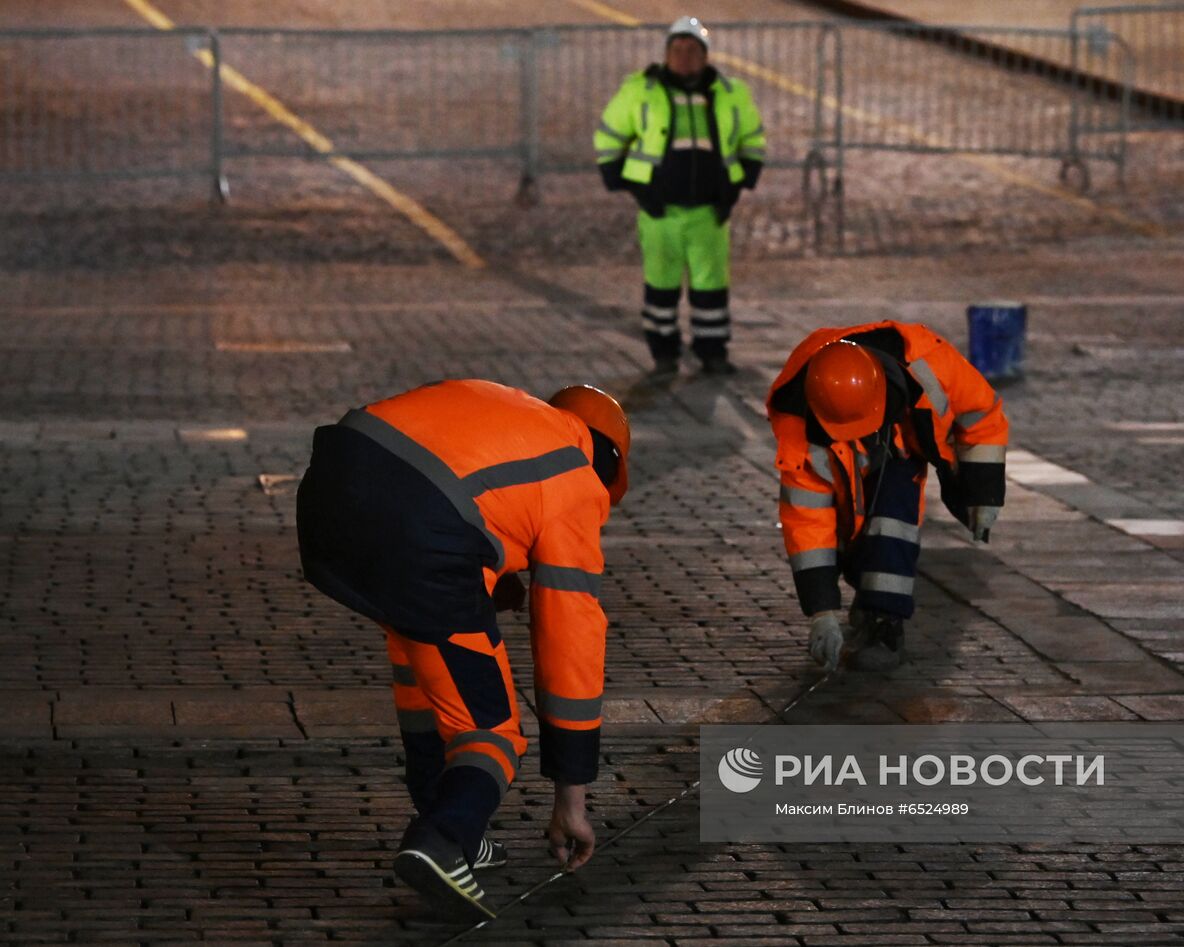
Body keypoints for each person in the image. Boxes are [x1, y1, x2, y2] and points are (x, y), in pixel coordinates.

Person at [295, 380, 630, 921]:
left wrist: (491, 580)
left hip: (331, 491)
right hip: (422, 534)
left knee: (422, 657)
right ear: (611, 464)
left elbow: (461, 488)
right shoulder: (576, 476)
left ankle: (444, 812)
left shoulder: (515, 412)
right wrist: (572, 795)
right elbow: (570, 640)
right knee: (491, 729)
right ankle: (443, 837)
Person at [766, 322, 1010, 671]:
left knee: (893, 516)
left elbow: (984, 417)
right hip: (856, 427)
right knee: (851, 522)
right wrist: (821, 612)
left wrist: (984, 495)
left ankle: (885, 622)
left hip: (903, 440)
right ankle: (868, 604)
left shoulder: (934, 364)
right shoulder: (800, 426)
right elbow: (808, 522)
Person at [594, 16, 766, 377]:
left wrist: (740, 183)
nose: (684, 57)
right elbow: (609, 136)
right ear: (666, 54)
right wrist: (632, 186)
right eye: (677, 50)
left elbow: (752, 137)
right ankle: (664, 354)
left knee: (712, 288)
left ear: (705, 56)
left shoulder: (730, 93)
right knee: (661, 285)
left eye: (692, 50)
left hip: (710, 212)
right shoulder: (641, 90)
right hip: (660, 213)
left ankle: (713, 352)